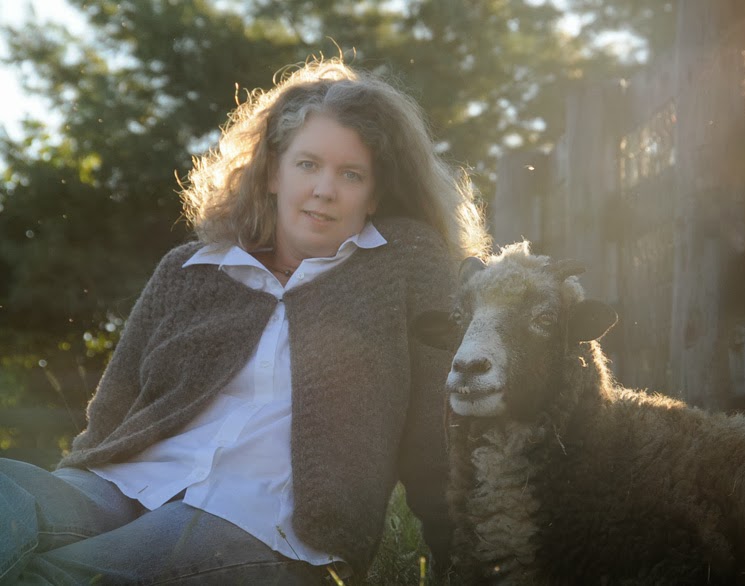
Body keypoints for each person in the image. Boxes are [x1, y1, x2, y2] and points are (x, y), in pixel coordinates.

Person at [0, 57, 489, 585]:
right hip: (122, 484)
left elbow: (436, 432)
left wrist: (461, 557)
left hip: (260, 524)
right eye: (308, 164)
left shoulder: (405, 269)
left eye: (351, 175)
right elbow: (113, 411)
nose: (325, 189)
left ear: (375, 195)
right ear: (273, 172)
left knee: (57, 576)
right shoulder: (189, 269)